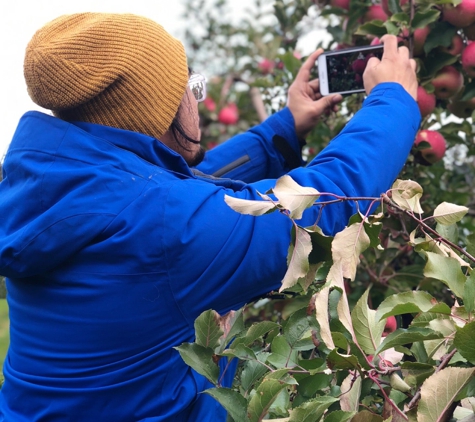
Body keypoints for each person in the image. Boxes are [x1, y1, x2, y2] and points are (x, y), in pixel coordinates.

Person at [0, 12, 419, 422]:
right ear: (157, 109)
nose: (197, 101)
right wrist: (394, 100)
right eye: (190, 87)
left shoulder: (54, 190)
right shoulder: (166, 224)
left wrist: (284, 129)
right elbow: (322, 201)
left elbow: (179, 189)